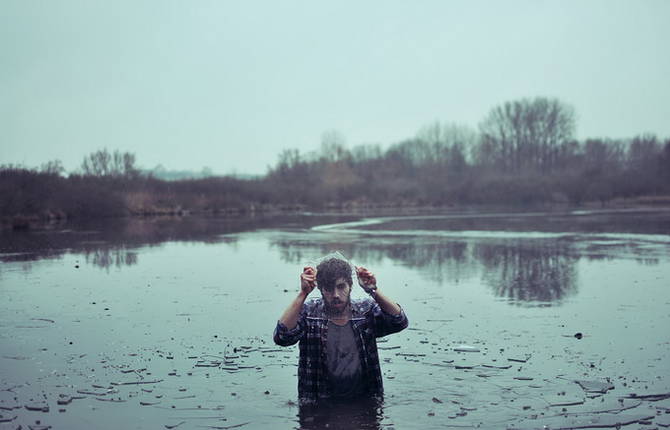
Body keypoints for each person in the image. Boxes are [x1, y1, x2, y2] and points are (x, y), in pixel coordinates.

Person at [273, 256, 408, 406]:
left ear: (350, 286)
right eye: (329, 288)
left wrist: (373, 290)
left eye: (341, 286)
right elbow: (282, 337)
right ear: (321, 289)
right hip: (318, 401)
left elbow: (400, 321)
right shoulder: (310, 312)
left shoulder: (365, 312)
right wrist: (303, 293)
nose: (336, 295)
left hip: (365, 399)